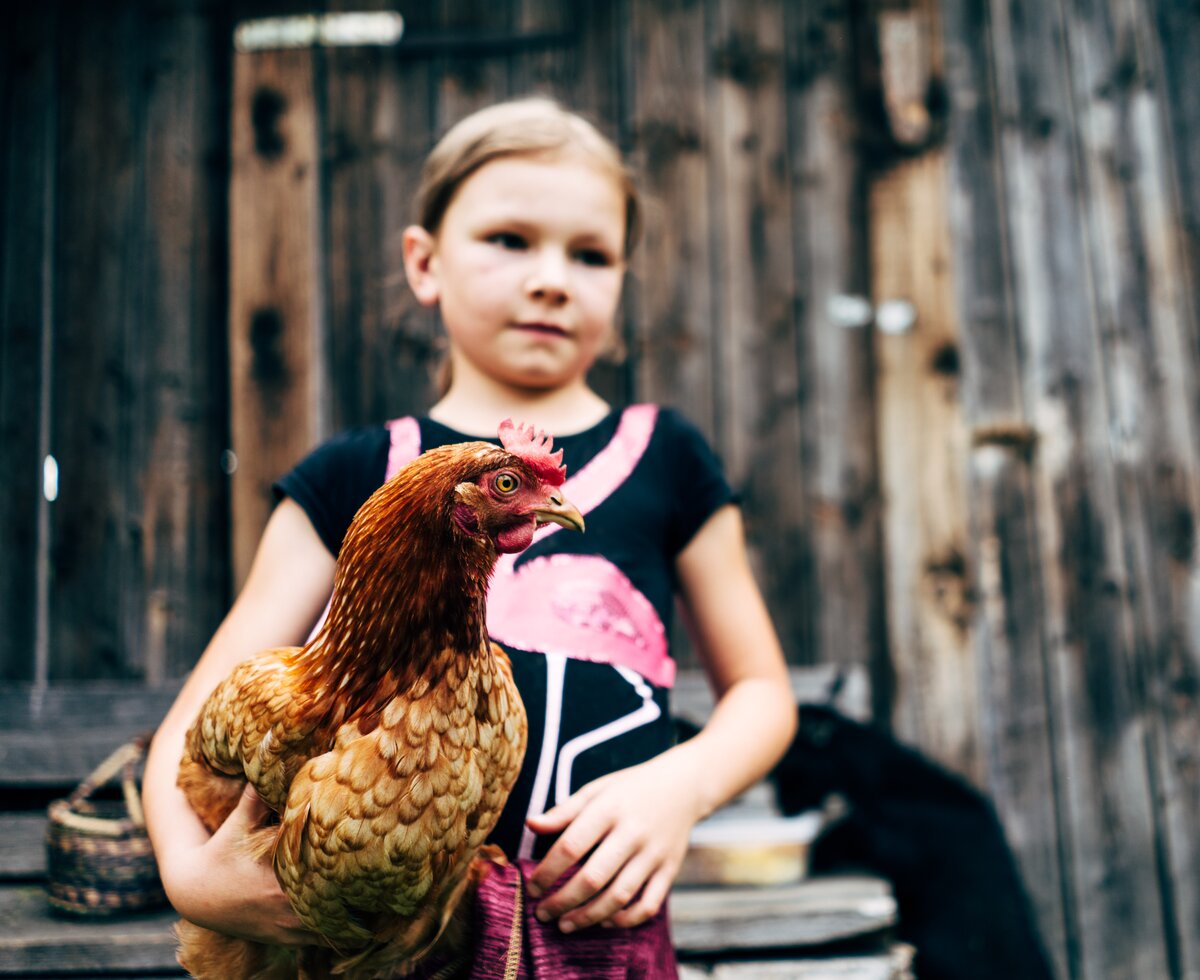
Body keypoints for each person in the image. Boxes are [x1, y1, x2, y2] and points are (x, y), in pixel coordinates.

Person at [142, 97, 796, 972]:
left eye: (591, 254)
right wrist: (191, 881)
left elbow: (761, 690)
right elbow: (196, 727)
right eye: (510, 240)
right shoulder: (354, 471)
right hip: (388, 945)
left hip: (603, 931)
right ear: (425, 262)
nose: (552, 278)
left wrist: (681, 787)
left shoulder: (670, 457)